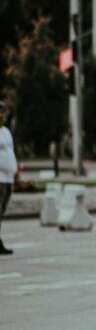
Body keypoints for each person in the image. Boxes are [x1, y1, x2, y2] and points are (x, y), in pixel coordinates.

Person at [0, 102, 17, 255]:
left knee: (2, 209)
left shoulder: (5, 131)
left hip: (8, 177)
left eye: (4, 113)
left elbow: (10, 151)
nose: (3, 116)